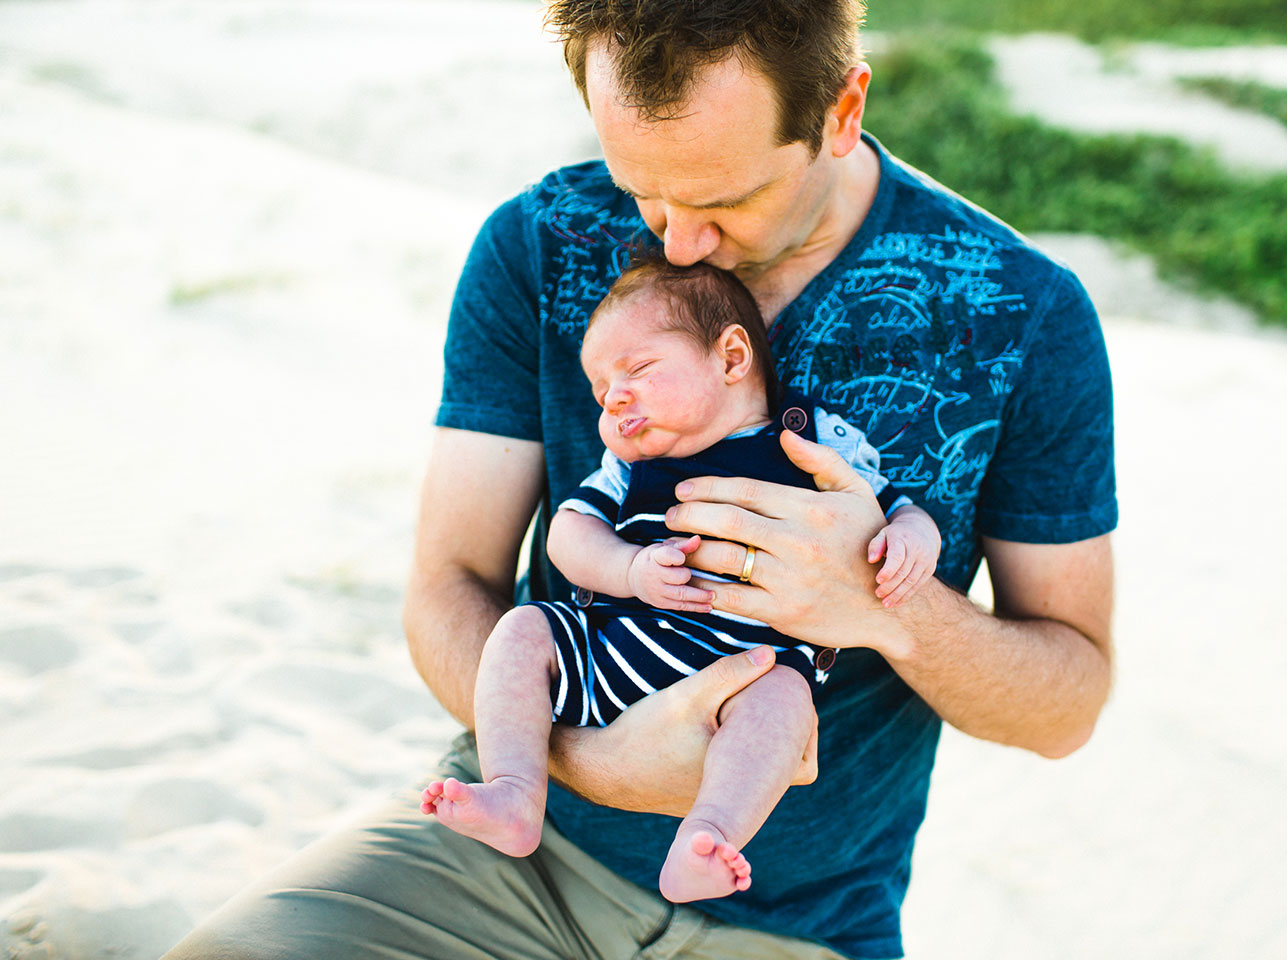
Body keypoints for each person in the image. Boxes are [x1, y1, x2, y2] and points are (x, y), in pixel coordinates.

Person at [163, 1, 1116, 957]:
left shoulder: (1017, 312)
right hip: (515, 857)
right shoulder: (538, 243)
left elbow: (1067, 703)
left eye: (726, 201)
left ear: (841, 110)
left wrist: (882, 607)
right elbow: (446, 587)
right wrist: (597, 765)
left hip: (798, 928)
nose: (678, 243)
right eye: (644, 191)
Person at [420, 255, 941, 904]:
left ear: (729, 358)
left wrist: (913, 537)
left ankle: (708, 835)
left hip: (745, 672)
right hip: (616, 654)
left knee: (785, 704)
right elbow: (568, 534)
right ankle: (514, 791)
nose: (614, 398)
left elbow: (893, 504)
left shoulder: (808, 442)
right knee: (524, 629)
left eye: (636, 370)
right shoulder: (624, 468)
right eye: (600, 390)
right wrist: (629, 569)